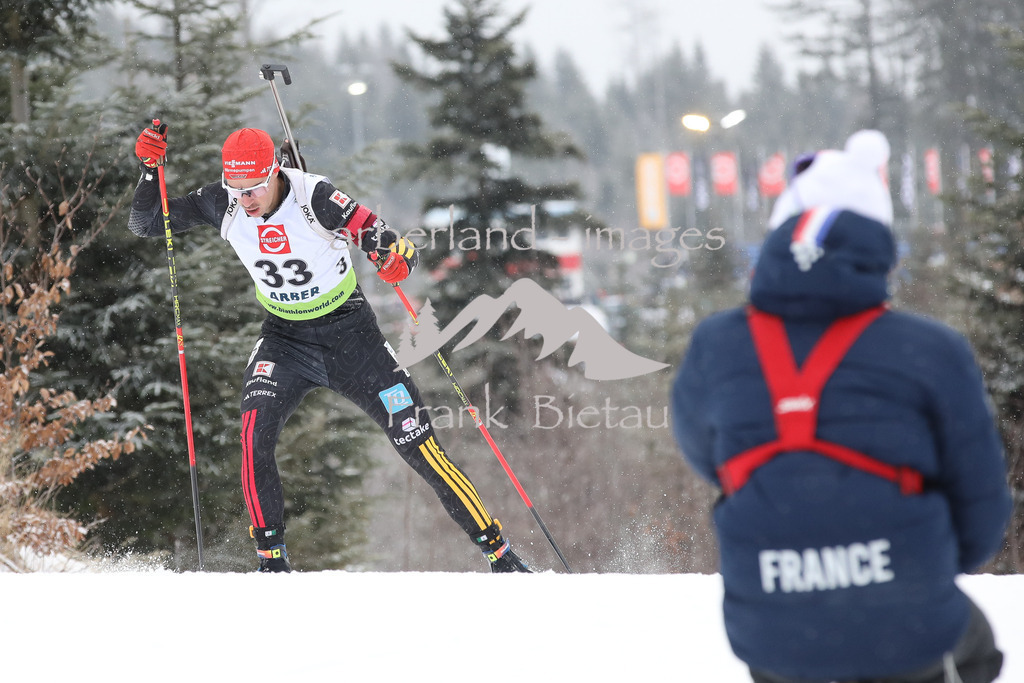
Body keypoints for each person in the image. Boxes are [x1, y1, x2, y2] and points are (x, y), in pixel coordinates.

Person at [671, 129, 1011, 683]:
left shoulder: (717, 344)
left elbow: (705, 454)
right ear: (878, 246)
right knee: (973, 649)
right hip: (909, 622)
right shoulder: (930, 347)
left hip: (771, 626)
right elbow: (981, 506)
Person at [129, 123, 531, 573]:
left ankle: (499, 554)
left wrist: (396, 259)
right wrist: (149, 170)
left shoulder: (316, 197)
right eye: (235, 189)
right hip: (284, 339)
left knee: (417, 443)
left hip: (351, 337)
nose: (245, 200)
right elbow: (146, 223)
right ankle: (272, 563)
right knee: (253, 436)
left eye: (255, 188)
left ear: (275, 171)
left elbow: (390, 241)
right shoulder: (223, 203)